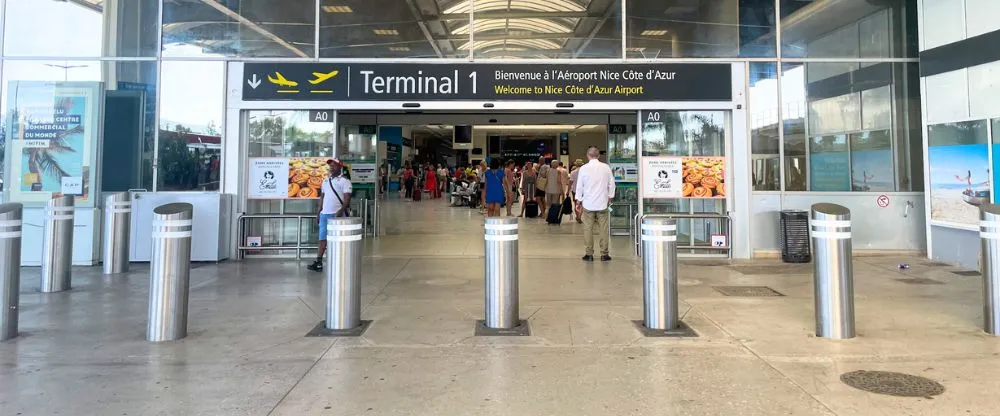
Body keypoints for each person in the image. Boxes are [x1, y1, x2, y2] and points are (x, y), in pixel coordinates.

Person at [308, 159, 352, 272]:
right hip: (324, 214)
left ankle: (342, 262)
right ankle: (319, 261)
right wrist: (318, 213)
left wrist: (341, 211)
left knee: (340, 239)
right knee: (322, 239)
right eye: (330, 166)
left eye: (334, 165)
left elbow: (347, 198)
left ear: (340, 167)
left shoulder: (344, 181)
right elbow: (322, 197)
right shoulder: (325, 181)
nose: (331, 167)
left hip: (337, 215)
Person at [574, 147, 616, 262]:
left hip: (588, 203)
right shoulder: (606, 167)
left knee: (588, 228)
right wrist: (610, 197)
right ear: (598, 156)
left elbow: (580, 186)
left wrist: (578, 200)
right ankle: (604, 254)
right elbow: (612, 184)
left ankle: (589, 254)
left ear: (588, 155)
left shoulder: (584, 168)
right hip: (602, 203)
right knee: (603, 228)